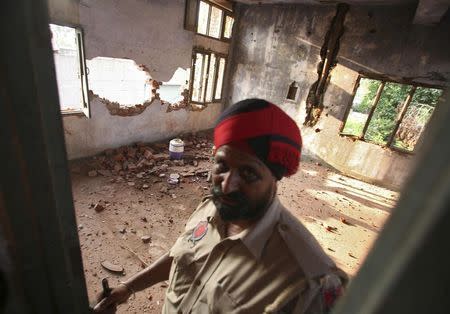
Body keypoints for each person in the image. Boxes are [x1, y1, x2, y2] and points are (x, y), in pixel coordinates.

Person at [94, 99, 347, 314]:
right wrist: (128, 287)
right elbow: (180, 257)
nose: (227, 186)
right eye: (222, 166)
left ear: (275, 178)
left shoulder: (307, 278)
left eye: (248, 173)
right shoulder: (209, 210)